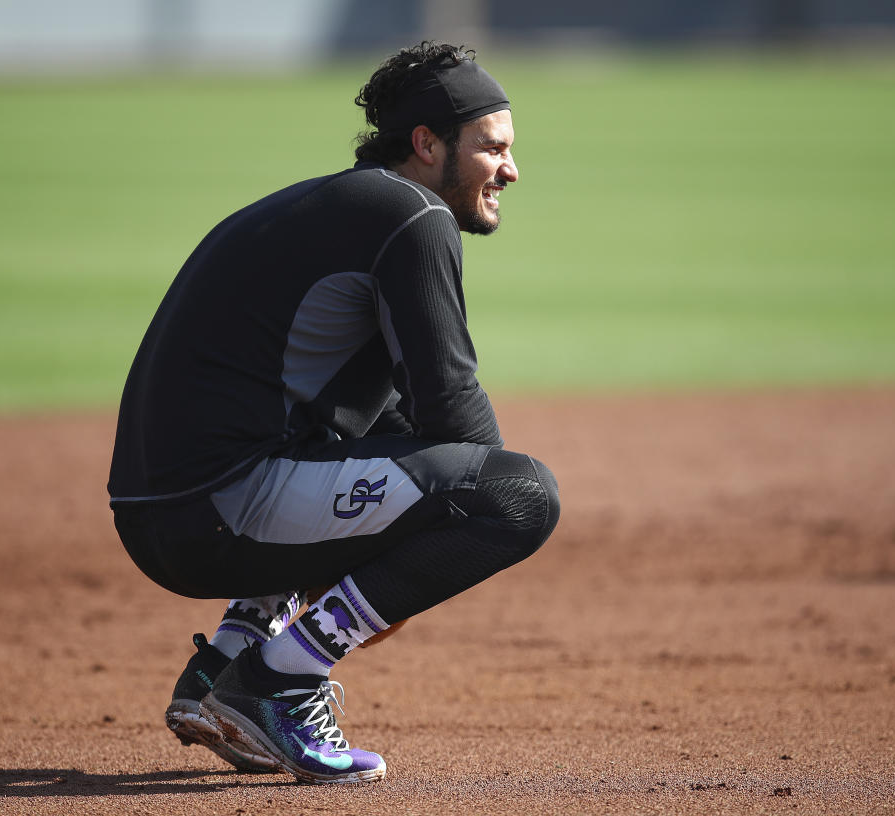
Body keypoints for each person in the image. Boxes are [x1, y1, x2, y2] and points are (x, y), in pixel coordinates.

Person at [107, 42, 560, 785]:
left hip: (166, 513)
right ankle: (278, 679)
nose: (510, 170)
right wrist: (421, 544)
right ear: (427, 144)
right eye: (493, 148)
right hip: (222, 507)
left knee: (377, 425)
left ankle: (221, 668)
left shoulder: (332, 205)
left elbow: (399, 418)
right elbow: (459, 421)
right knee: (517, 496)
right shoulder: (412, 215)